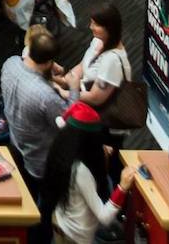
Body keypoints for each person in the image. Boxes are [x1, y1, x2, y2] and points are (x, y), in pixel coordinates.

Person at [40, 102, 137, 244]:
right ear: (90, 141)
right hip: (75, 238)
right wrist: (122, 187)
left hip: (60, 225)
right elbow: (104, 217)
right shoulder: (80, 171)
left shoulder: (60, 150)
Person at [0, 29, 68, 219]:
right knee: (45, 207)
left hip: (15, 143)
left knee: (23, 195)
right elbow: (67, 123)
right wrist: (74, 89)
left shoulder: (10, 64)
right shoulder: (45, 96)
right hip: (41, 162)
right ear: (47, 62)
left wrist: (52, 83)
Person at [63, 4, 130, 109]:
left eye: (96, 24)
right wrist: (66, 79)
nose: (91, 27)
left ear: (109, 28)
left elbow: (95, 98)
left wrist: (64, 92)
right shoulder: (98, 40)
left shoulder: (112, 61)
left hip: (94, 113)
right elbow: (82, 65)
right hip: (81, 91)